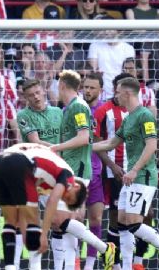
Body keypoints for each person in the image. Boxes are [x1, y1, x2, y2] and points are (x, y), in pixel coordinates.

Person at [93, 76, 159, 270]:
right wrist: (85, 146)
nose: (115, 95)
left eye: (117, 91)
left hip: (143, 176)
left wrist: (134, 170)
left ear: (127, 93)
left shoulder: (144, 115)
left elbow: (152, 145)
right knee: (123, 223)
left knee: (133, 224)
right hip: (131, 178)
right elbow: (111, 143)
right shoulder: (129, 118)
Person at [0, 143, 95, 270]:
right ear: (76, 187)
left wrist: (25, 234)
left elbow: (23, 211)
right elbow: (52, 202)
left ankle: (10, 267)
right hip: (18, 162)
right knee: (34, 222)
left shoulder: (42, 177)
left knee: (11, 222)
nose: (63, 197)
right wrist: (44, 235)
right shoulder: (68, 176)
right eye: (68, 198)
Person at [49, 70, 116, 270]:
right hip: (71, 169)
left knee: (60, 219)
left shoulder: (78, 107)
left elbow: (84, 137)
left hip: (78, 170)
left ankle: (104, 248)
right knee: (63, 223)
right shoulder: (69, 108)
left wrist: (55, 148)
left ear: (62, 85)